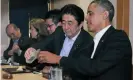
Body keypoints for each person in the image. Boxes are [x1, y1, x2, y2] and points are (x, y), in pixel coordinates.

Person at [35, 0, 132, 80]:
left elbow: (95, 67)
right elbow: (80, 67)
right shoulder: (94, 42)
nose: (86, 18)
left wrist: (58, 59)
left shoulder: (118, 37)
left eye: (90, 13)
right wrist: (53, 69)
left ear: (105, 15)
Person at [25, 4, 93, 80]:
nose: (66, 27)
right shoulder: (59, 31)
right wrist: (32, 49)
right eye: (63, 23)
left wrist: (53, 68)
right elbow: (44, 43)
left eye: (70, 23)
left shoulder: (87, 41)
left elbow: (79, 68)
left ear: (80, 25)